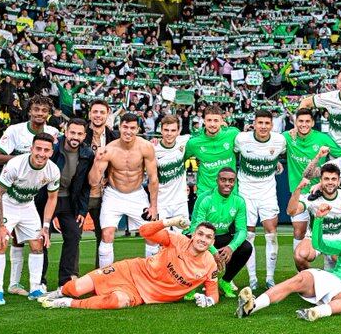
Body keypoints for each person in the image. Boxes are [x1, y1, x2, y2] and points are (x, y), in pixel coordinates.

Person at [235, 218, 341, 322]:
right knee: (300, 277)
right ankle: (252, 306)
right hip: (331, 280)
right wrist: (318, 220)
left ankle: (315, 313)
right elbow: (319, 244)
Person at [40, 220, 220, 310]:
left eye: (208, 237)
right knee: (77, 287)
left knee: (116, 301)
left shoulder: (209, 265)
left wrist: (209, 301)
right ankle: (60, 292)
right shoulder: (176, 240)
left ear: (212, 241)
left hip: (141, 294)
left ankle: (67, 303)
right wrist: (169, 222)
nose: (203, 239)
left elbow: (213, 293)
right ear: (193, 234)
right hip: (130, 270)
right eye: (200, 234)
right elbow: (144, 232)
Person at [0, 132, 59, 305]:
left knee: (37, 243)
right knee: (0, 242)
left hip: (27, 206)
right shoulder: (15, 164)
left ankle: (35, 287)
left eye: (46, 150)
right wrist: (1, 226)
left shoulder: (53, 170)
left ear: (51, 152)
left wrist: (46, 226)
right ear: (31, 148)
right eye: (38, 149)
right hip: (7, 204)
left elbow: (52, 198)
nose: (41, 153)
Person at [88, 112, 160, 266]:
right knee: (107, 235)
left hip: (137, 195)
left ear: (138, 129)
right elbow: (93, 181)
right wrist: (96, 160)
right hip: (113, 195)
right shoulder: (109, 149)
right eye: (125, 127)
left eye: (132, 128)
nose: (128, 131)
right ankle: (105, 279)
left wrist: (153, 206)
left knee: (152, 235)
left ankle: (152, 277)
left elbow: (153, 178)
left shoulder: (146, 147)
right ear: (119, 127)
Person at [36, 119, 94, 285]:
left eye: (79, 134)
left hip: (70, 201)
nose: (75, 137)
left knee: (74, 236)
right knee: (42, 237)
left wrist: (83, 211)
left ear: (84, 135)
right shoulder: (53, 149)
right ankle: (39, 281)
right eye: (72, 132)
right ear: (66, 132)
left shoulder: (87, 154)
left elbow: (85, 185)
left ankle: (66, 281)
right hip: (46, 199)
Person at [233, 110, 286, 290]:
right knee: (248, 236)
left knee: (271, 233)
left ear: (272, 125)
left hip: (268, 193)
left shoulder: (280, 141)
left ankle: (270, 278)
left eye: (267, 123)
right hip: (246, 193)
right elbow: (231, 152)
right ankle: (253, 278)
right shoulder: (241, 139)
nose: (263, 126)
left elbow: (285, 153)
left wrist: (276, 164)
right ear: (254, 124)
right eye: (260, 123)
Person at [282, 108, 341, 260]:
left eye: (307, 121)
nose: (304, 124)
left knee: (327, 231)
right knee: (299, 232)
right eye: (300, 121)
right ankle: (300, 272)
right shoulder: (287, 137)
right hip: (299, 192)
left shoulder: (322, 138)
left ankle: (330, 267)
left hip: (321, 193)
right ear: (295, 123)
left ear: (313, 123)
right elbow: (270, 145)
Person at [186, 167, 252, 298]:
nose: (227, 184)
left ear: (235, 182)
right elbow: (195, 228)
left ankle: (225, 281)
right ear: (217, 181)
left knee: (246, 247)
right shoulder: (205, 198)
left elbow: (242, 230)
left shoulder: (239, 201)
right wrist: (212, 250)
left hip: (221, 236)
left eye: (231, 181)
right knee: (188, 244)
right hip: (200, 236)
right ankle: (189, 285)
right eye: (223, 180)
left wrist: (231, 247)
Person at [287, 163, 341, 272]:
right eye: (326, 179)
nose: (330, 182)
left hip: (336, 239)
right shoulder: (312, 198)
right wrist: (298, 189)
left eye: (333, 179)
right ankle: (312, 279)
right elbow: (291, 211)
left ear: (338, 182)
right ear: (321, 181)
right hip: (314, 238)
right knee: (300, 256)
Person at [85, 99, 119, 266]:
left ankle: (100, 275)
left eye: (102, 112)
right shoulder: (81, 133)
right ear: (90, 113)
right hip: (82, 192)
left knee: (104, 236)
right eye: (95, 112)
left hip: (106, 194)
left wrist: (109, 177)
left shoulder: (115, 136)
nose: (98, 115)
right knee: (72, 237)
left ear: (108, 115)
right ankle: (70, 278)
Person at [184, 105, 239, 199]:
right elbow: (179, 161)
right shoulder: (194, 142)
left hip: (230, 193)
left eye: (216, 120)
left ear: (222, 121)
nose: (212, 124)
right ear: (204, 121)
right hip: (205, 194)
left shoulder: (233, 134)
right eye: (209, 120)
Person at [154, 114, 190, 221]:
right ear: (161, 130)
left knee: (180, 236)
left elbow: (205, 135)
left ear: (179, 131)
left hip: (180, 201)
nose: (169, 134)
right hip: (161, 202)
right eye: (166, 130)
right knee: (162, 237)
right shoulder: (153, 148)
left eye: (173, 130)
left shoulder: (184, 140)